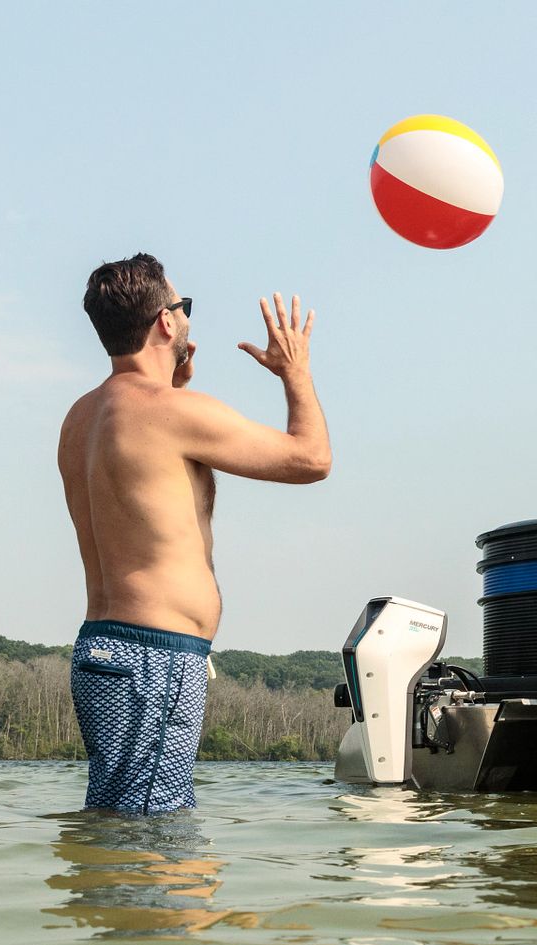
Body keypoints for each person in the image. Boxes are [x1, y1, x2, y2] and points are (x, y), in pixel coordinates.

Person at [58, 253, 331, 813]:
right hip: (153, 658)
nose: (187, 320)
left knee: (122, 829)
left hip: (105, 651)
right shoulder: (173, 414)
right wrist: (295, 372)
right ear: (163, 321)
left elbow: (144, 489)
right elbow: (311, 459)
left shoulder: (80, 418)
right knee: (154, 844)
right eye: (184, 309)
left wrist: (173, 385)